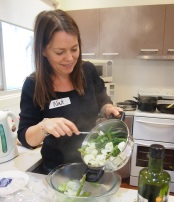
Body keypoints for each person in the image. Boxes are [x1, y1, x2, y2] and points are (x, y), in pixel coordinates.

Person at [17, 9, 123, 174]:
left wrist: (108, 108)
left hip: (95, 162)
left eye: (74, 49)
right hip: (56, 170)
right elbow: (25, 139)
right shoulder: (33, 85)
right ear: (43, 51)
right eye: (60, 52)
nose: (69, 58)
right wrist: (44, 126)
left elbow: (103, 101)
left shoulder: (87, 71)